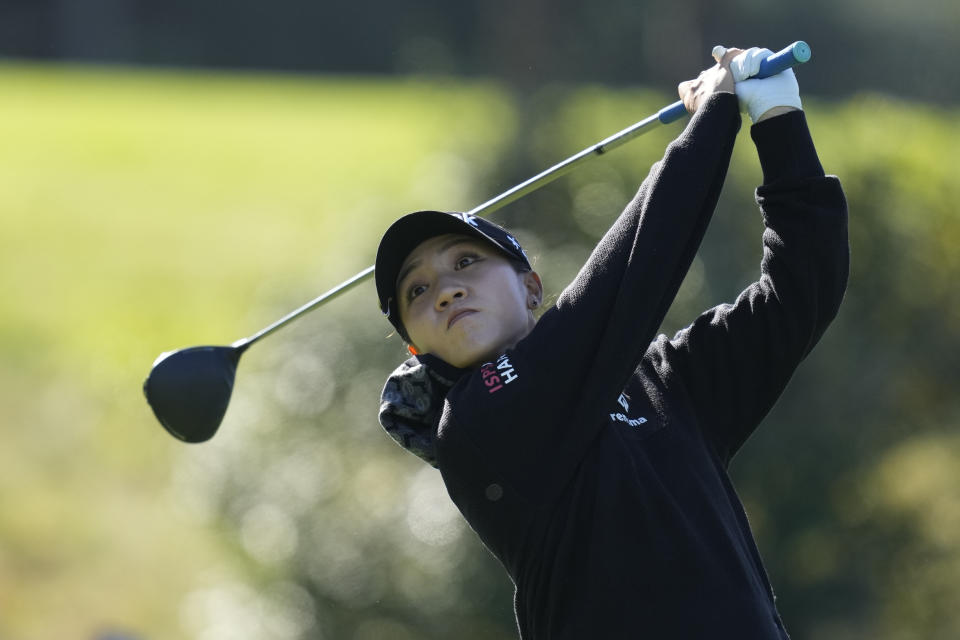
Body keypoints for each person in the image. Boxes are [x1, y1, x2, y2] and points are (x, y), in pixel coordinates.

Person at [374, 46, 849, 639]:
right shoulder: (478, 420)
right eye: (416, 292)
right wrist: (716, 113)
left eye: (465, 261)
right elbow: (625, 279)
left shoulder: (664, 381)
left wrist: (780, 119)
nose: (443, 291)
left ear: (530, 287)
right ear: (415, 351)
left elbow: (802, 292)